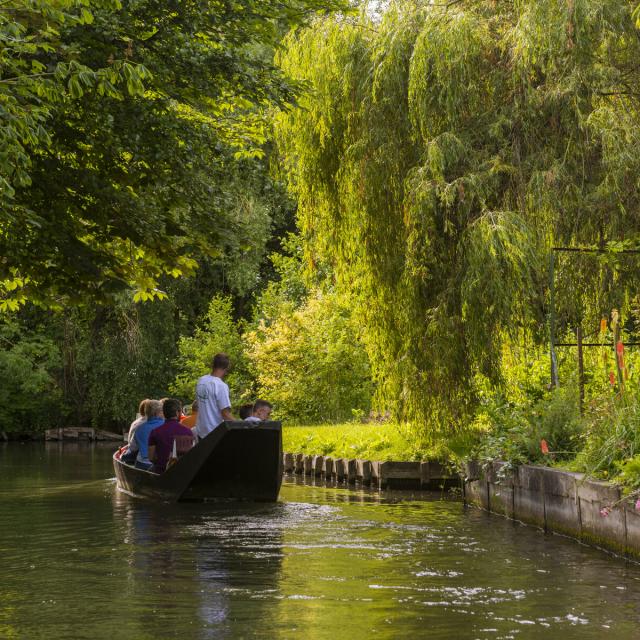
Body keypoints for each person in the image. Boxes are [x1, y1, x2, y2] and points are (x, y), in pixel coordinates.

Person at [194, 353, 235, 439]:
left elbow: (199, 404)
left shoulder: (201, 380)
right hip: (214, 433)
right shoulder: (221, 386)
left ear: (213, 365)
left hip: (200, 431)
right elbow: (225, 414)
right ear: (226, 368)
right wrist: (241, 425)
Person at [149, 398, 195, 472]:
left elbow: (151, 457)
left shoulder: (155, 432)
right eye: (180, 411)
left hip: (160, 472)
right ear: (177, 413)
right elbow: (189, 458)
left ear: (164, 413)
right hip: (182, 473)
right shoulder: (188, 431)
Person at [134, 400, 164, 470]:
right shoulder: (166, 425)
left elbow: (134, 448)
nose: (164, 412)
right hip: (159, 464)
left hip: (141, 464)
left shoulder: (139, 428)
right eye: (162, 410)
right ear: (157, 413)